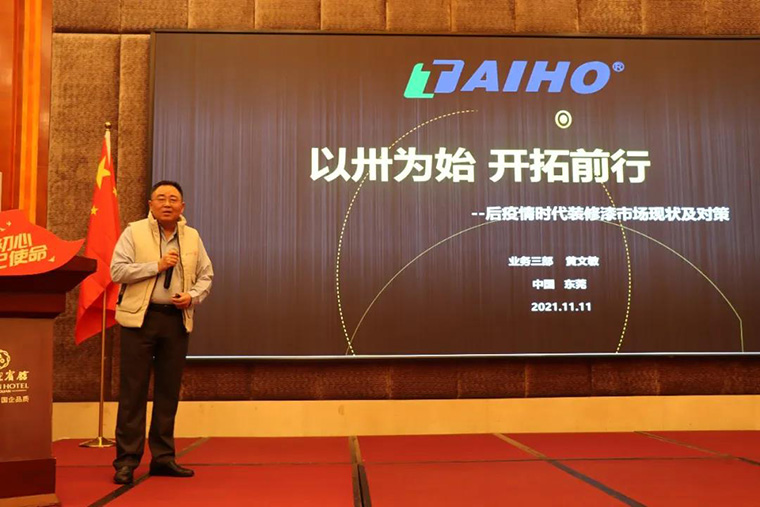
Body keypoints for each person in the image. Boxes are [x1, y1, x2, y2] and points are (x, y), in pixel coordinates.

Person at [110, 180, 213, 485]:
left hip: (176, 320)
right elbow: (117, 270)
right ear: (150, 204)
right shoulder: (134, 232)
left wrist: (192, 296)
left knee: (168, 392)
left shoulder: (192, 237)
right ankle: (126, 461)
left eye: (173, 199)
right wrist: (156, 266)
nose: (167, 204)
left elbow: (206, 275)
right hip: (139, 321)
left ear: (183, 206)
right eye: (161, 198)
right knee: (133, 393)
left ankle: (163, 458)